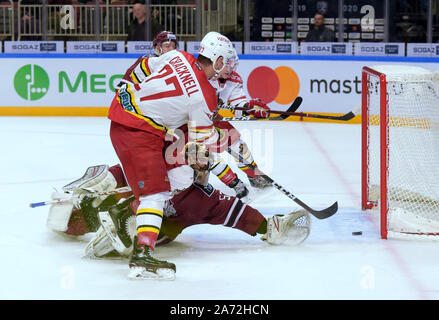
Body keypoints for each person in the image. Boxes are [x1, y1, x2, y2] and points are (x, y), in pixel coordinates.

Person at [107, 31, 239, 279]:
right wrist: (218, 127)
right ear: (217, 60)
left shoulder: (178, 56)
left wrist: (126, 84)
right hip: (140, 131)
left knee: (160, 182)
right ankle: (142, 256)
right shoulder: (207, 98)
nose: (229, 67)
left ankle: (121, 207)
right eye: (227, 61)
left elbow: (143, 64)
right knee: (156, 193)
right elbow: (198, 147)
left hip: (124, 115)